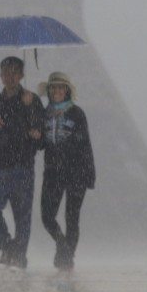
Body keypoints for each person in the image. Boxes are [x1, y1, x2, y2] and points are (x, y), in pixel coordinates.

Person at [0, 56, 43, 270]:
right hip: (0, 165)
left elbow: (40, 133)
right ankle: (8, 246)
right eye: (6, 72)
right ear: (0, 76)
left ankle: (19, 256)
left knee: (22, 215)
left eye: (14, 72)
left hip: (22, 165)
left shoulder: (31, 100)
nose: (10, 76)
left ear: (22, 75)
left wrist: (34, 126)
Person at [38, 71, 95, 271]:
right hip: (53, 172)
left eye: (61, 87)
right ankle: (63, 246)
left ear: (67, 90)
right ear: (49, 91)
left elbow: (85, 144)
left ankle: (67, 259)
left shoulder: (77, 113)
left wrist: (89, 175)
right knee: (46, 216)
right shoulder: (44, 114)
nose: (57, 91)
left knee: (72, 217)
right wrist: (35, 134)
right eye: (53, 87)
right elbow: (39, 145)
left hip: (76, 172)